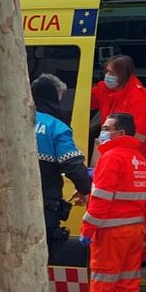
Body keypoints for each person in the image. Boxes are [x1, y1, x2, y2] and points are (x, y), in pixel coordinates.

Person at [78, 112, 146, 292]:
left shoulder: (110, 158)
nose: (102, 131)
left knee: (102, 288)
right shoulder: (138, 158)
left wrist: (87, 229)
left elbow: (100, 201)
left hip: (111, 233)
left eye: (106, 128)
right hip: (134, 231)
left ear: (120, 133)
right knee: (128, 288)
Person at [33, 74, 91, 256]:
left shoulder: (12, 120)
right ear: (52, 95)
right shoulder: (56, 127)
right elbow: (72, 164)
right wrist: (86, 188)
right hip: (43, 205)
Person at [90, 54, 146, 162]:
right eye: (107, 72)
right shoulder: (106, 90)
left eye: (112, 73)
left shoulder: (140, 98)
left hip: (131, 158)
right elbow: (85, 101)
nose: (107, 76)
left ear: (123, 74)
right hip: (109, 152)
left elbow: (138, 137)